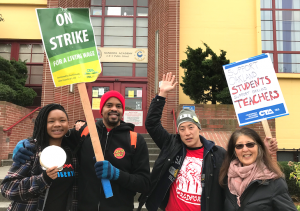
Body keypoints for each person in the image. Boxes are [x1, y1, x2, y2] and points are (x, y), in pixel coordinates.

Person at [138, 72, 278, 211]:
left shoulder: (217, 154)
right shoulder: (171, 145)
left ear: (199, 128)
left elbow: (243, 164)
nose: (187, 133)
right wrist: (162, 94)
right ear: (178, 132)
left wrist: (262, 151)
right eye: (182, 129)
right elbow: (151, 124)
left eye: (191, 127)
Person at [13, 90, 151, 211]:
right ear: (101, 110)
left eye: (118, 106)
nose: (114, 109)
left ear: (123, 111)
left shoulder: (135, 140)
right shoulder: (84, 133)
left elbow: (144, 184)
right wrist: (26, 144)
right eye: (109, 105)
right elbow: (55, 135)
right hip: (84, 207)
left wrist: (117, 174)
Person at [0, 104, 78, 211]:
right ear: (42, 124)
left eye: (62, 120)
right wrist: (43, 179)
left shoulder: (71, 152)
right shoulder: (30, 150)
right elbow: (7, 188)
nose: (57, 124)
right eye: (51, 121)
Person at [219, 127, 297, 211]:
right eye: (239, 146)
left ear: (259, 147)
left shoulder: (274, 183)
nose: (245, 149)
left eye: (250, 144)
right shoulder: (227, 179)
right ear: (234, 151)